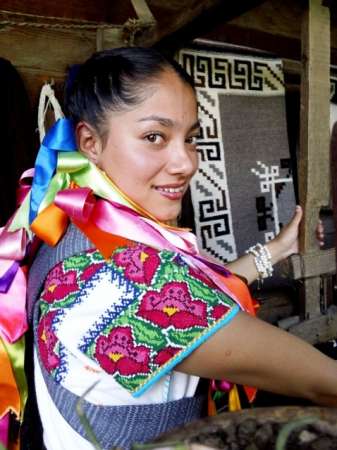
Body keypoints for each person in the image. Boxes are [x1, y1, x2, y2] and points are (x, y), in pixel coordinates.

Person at [16, 47, 337, 450]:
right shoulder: (111, 284)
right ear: (90, 142)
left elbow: (191, 295)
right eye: (155, 137)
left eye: (190, 138)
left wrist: (274, 250)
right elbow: (321, 382)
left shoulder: (78, 225)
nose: (185, 163)